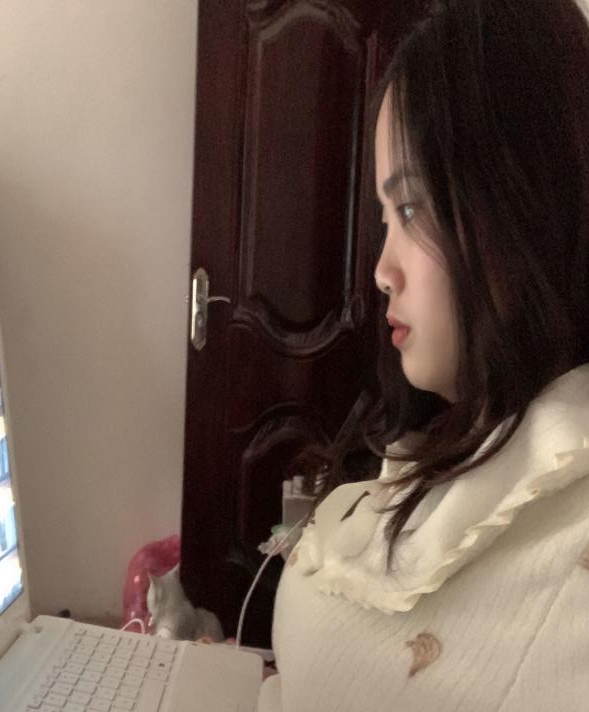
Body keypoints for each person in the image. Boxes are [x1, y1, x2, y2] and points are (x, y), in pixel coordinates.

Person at [257, 1, 589, 710]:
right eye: (387, 217)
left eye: (410, 209)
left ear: (525, 204)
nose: (381, 271)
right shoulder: (472, 427)